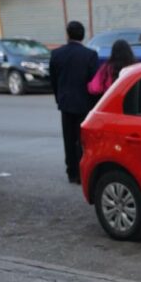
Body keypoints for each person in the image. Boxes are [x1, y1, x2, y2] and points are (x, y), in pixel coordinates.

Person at [49, 20, 99, 184]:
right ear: (83, 35)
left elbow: (54, 81)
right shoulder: (90, 55)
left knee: (69, 139)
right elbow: (94, 83)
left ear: (68, 35)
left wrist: (59, 99)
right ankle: (83, 173)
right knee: (83, 140)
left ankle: (72, 172)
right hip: (85, 104)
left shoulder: (56, 54)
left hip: (66, 103)